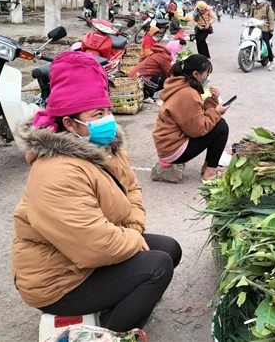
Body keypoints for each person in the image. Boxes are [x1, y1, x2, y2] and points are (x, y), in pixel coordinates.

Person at [12, 51, 182, 333]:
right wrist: (132, 238)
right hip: (59, 279)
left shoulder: (106, 147)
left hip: (88, 256)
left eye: (107, 111)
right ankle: (111, 336)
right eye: (98, 114)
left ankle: (120, 302)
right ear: (69, 123)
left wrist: (133, 230)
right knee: (157, 266)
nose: (108, 120)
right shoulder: (56, 172)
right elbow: (91, 243)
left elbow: (132, 190)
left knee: (169, 249)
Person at [152, 54, 229, 183]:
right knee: (221, 127)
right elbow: (198, 129)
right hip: (172, 149)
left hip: (168, 144)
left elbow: (198, 115)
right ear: (196, 74)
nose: (207, 77)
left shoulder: (181, 85)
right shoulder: (187, 93)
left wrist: (212, 99)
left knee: (218, 123)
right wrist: (217, 112)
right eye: (206, 74)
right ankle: (209, 172)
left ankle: (207, 167)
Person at [249, 0, 275, 71]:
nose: (254, 1)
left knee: (267, 45)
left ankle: (271, 63)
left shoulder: (267, 6)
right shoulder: (254, 6)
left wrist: (271, 29)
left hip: (265, 29)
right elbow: (251, 16)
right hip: (255, 27)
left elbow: (271, 19)